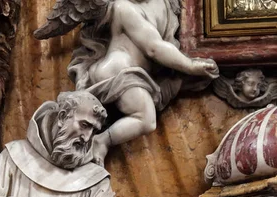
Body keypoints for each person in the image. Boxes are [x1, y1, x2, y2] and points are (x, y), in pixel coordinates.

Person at [67, 0, 219, 163]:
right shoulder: (123, 7)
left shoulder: (164, 4)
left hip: (132, 73)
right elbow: (153, 48)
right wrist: (190, 65)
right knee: (146, 120)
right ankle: (101, 141)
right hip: (117, 70)